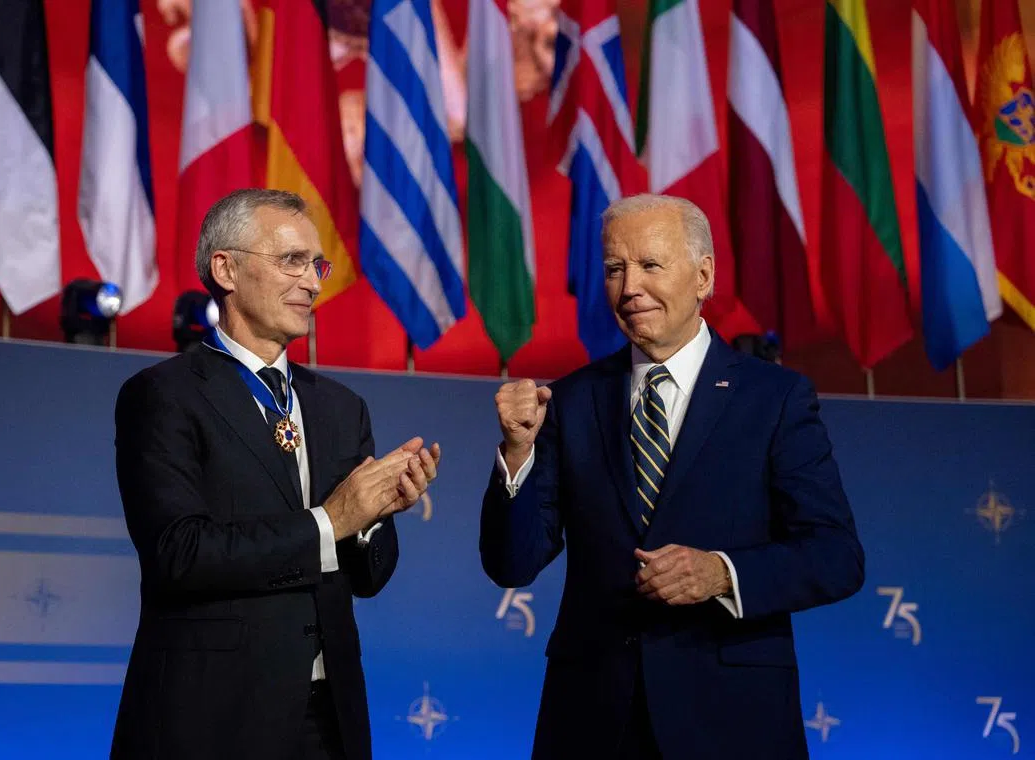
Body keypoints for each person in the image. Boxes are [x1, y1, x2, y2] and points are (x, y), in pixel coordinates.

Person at [480, 195, 863, 759]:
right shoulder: (568, 401)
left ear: (703, 275)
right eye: (615, 269)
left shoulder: (774, 399)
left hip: (732, 719)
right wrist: (517, 454)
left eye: (650, 265)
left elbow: (836, 556)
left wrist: (721, 573)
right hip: (593, 722)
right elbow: (512, 562)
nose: (629, 286)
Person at [111, 189, 439, 760]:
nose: (313, 283)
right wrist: (333, 519)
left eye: (317, 265)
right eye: (291, 261)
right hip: (211, 717)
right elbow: (179, 553)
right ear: (226, 269)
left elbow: (366, 578)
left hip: (326, 717)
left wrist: (372, 521)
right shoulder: (163, 395)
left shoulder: (341, 406)